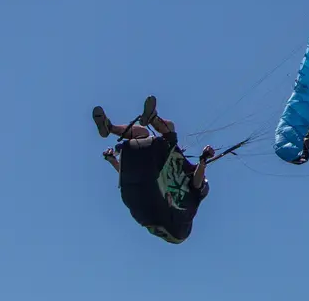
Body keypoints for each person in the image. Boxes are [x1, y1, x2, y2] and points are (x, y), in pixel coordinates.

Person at [93, 97, 216, 244]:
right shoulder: (174, 165)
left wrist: (203, 161)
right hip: (140, 206)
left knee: (163, 131)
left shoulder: (191, 198)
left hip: (164, 216)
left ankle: (126, 125)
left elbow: (197, 183)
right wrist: (113, 160)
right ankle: (111, 127)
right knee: (143, 137)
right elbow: (131, 174)